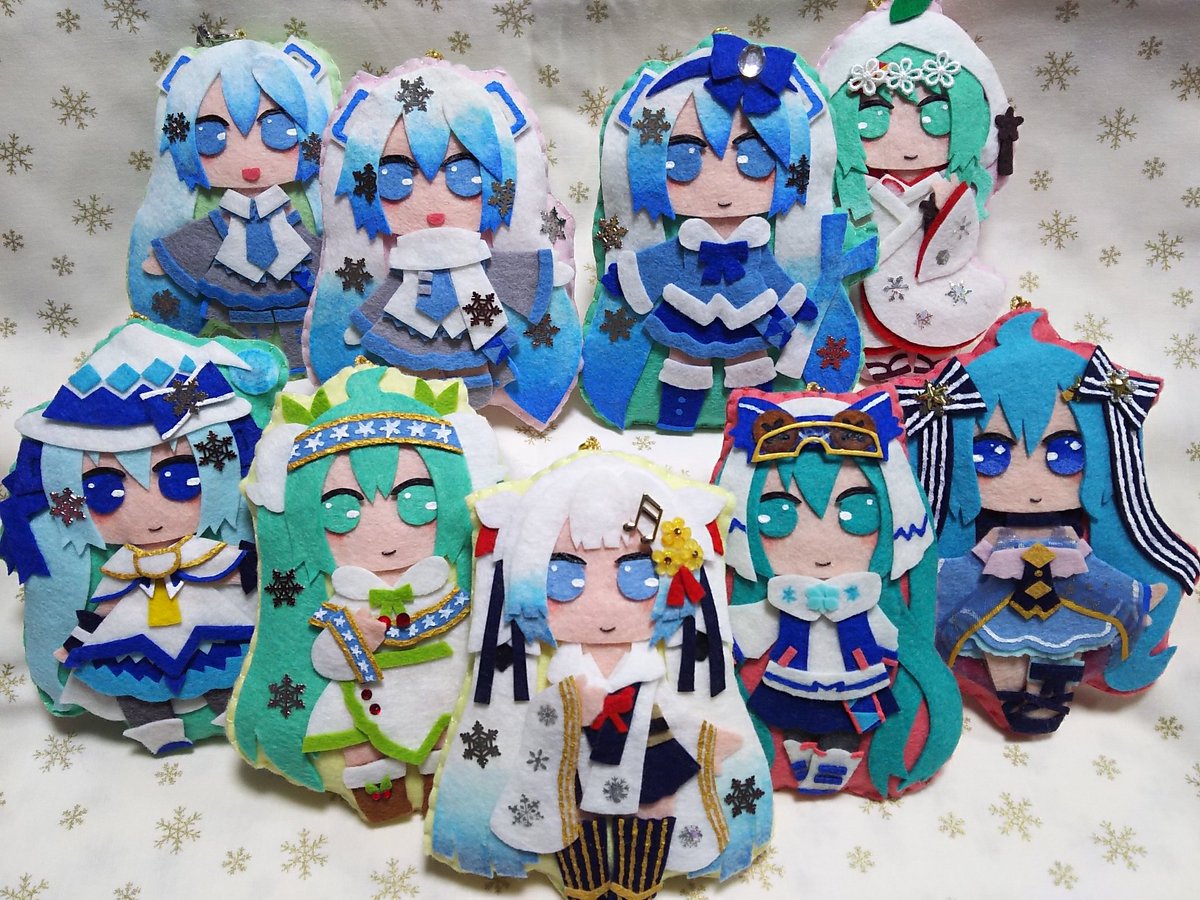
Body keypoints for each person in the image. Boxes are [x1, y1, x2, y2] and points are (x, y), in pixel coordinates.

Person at [430, 450, 772, 897]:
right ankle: (585, 884)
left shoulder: (651, 667)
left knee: (656, 805)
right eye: (562, 579)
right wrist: (570, 704)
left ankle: (637, 884)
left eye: (638, 576)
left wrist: (707, 739)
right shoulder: (561, 674)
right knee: (572, 808)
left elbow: (669, 712)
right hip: (576, 760)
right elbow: (539, 724)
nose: (603, 604)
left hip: (648, 756)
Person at [899, 309, 1199, 732]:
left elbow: (1093, 574)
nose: (1031, 480)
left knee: (1062, 651)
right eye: (991, 454)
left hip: (1064, 616)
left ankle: (1050, 701)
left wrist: (1133, 594)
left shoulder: (1070, 540)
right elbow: (963, 573)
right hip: (994, 612)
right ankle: (1014, 700)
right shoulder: (989, 538)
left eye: (1065, 453)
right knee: (1000, 652)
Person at [230, 365, 501, 822]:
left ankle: (438, 788)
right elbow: (323, 660)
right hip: (363, 699)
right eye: (341, 511)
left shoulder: (456, 588)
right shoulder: (341, 602)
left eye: (417, 502)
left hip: (439, 691)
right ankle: (382, 799)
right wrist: (354, 640)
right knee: (360, 748)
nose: (385, 532)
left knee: (441, 734)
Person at [0, 321, 286, 753]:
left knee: (219, 667)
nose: (150, 513)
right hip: (134, 637)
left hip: (210, 625)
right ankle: (157, 731)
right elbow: (101, 610)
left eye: (180, 480)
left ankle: (232, 715)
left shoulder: (206, 551)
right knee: (136, 683)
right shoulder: (121, 565)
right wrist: (72, 646)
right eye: (104, 491)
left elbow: (245, 577)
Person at [582, 32, 875, 432]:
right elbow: (658, 262)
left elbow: (774, 275)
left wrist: (797, 304)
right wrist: (627, 276)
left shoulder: (757, 243)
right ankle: (677, 420)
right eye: (685, 158)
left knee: (751, 367)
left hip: (751, 316)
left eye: (753, 157)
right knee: (684, 366)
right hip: (687, 312)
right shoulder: (686, 243)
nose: (721, 186)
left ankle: (761, 420)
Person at [715, 388, 959, 795]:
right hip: (791, 679)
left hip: (858, 681)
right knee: (794, 723)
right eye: (776, 515)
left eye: (858, 513)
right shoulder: (781, 597)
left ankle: (834, 766)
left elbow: (895, 639)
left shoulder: (865, 596)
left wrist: (892, 657)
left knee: (847, 729)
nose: (820, 542)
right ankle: (798, 761)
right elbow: (746, 632)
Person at [128, 37, 336, 374]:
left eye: (277, 130)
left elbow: (302, 239)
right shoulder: (225, 213)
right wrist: (167, 257)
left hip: (291, 283)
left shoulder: (288, 209)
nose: (249, 162)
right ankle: (237, 366)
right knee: (232, 323)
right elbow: (206, 235)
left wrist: (327, 266)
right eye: (212, 136)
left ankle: (301, 365)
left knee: (293, 325)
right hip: (235, 285)